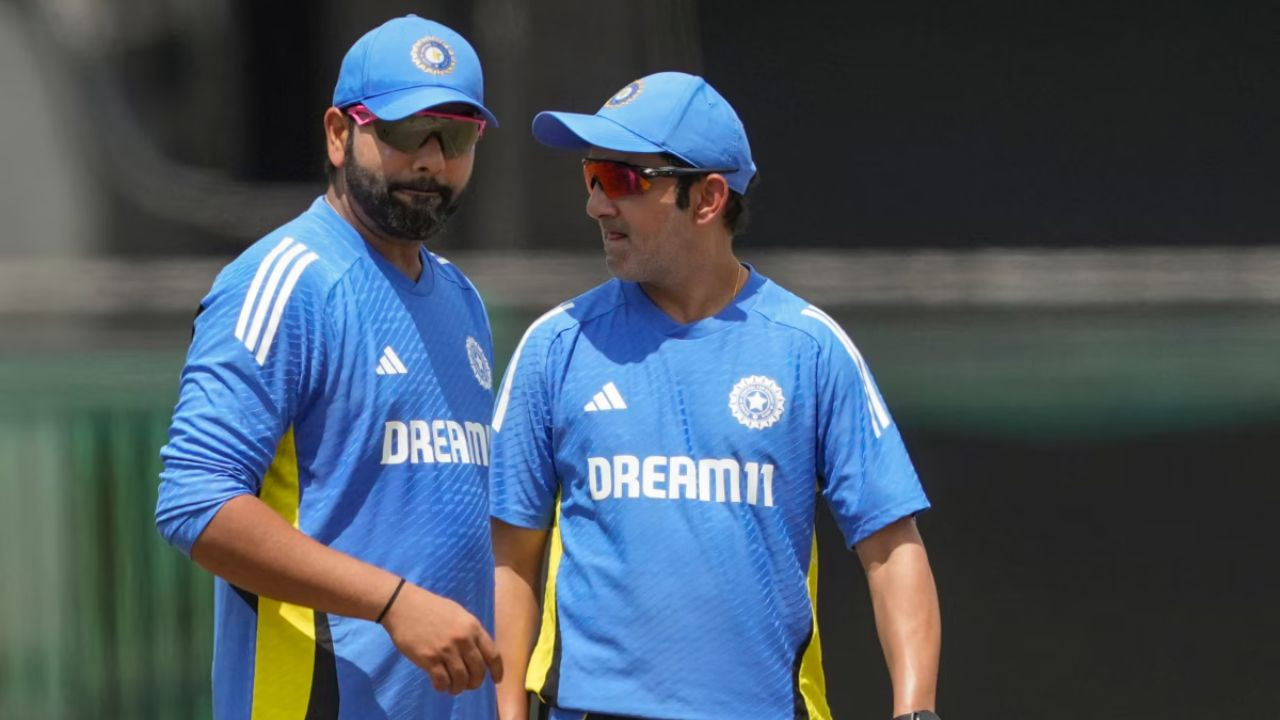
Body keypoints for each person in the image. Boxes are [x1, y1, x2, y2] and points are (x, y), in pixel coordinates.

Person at [489, 72, 942, 720]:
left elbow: (892, 549)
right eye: (591, 176)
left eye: (621, 179)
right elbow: (509, 560)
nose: (596, 205)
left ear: (707, 198)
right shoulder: (555, 345)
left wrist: (915, 711)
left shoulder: (809, 348)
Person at [155, 15, 504, 719]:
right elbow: (196, 501)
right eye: (407, 132)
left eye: (456, 137)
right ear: (340, 134)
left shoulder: (462, 299)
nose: (431, 161)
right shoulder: (287, 281)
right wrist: (392, 603)